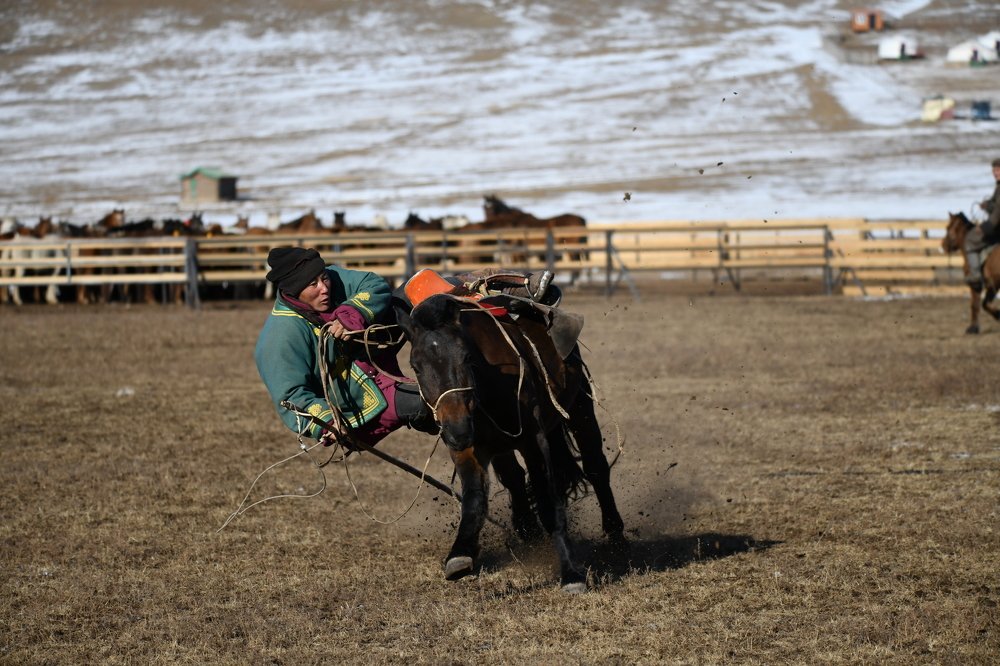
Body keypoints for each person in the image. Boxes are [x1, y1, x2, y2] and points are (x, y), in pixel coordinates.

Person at [254, 246, 437, 448]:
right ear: (293, 291)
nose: (324, 288)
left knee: (416, 291)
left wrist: (352, 313)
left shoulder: (330, 279)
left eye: (324, 278)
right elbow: (291, 396)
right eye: (313, 284)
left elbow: (373, 284)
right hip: (357, 402)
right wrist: (328, 424)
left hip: (374, 350)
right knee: (433, 403)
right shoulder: (280, 336)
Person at [966, 158, 1000, 285]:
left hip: (996, 228)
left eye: (998, 170)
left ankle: (975, 275)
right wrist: (987, 205)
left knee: (969, 239)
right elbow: (995, 206)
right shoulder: (998, 186)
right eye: (994, 170)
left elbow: (998, 214)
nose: (995, 173)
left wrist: (985, 227)